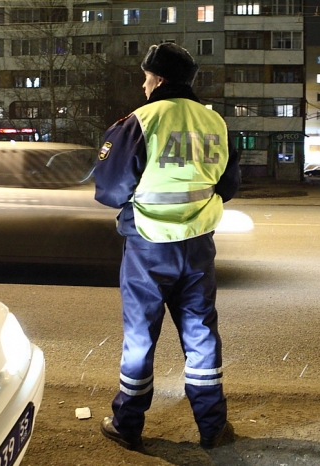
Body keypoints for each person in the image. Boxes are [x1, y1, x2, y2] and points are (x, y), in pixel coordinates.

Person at [93, 42, 241, 451]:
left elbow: (108, 189)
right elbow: (228, 187)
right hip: (197, 248)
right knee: (201, 336)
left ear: (158, 79)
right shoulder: (215, 123)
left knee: (140, 337)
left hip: (148, 247)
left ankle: (128, 424)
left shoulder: (140, 121)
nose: (143, 85)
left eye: (146, 77)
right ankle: (213, 428)